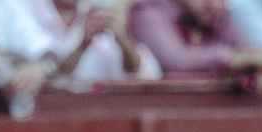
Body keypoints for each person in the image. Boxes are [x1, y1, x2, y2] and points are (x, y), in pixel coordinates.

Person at [127, 0, 262, 83]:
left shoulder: (217, 15)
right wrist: (237, 60)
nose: (216, 4)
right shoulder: (149, 9)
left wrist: (257, 69)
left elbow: (250, 53)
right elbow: (176, 62)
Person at [25, 0, 163, 79]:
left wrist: (124, 42)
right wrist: (81, 46)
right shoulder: (21, 11)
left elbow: (148, 77)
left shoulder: (97, 14)